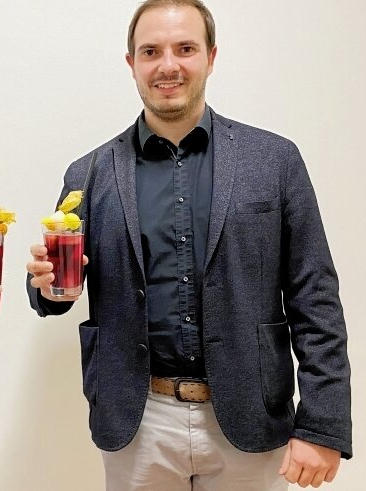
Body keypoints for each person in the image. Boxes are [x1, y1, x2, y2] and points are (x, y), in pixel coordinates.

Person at [25, 1, 351, 489]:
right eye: (151, 51)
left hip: (251, 415)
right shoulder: (87, 173)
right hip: (136, 420)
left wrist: (323, 424)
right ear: (131, 62)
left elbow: (315, 297)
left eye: (185, 48)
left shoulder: (275, 160)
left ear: (211, 56)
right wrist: (47, 287)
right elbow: (53, 290)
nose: (168, 65)